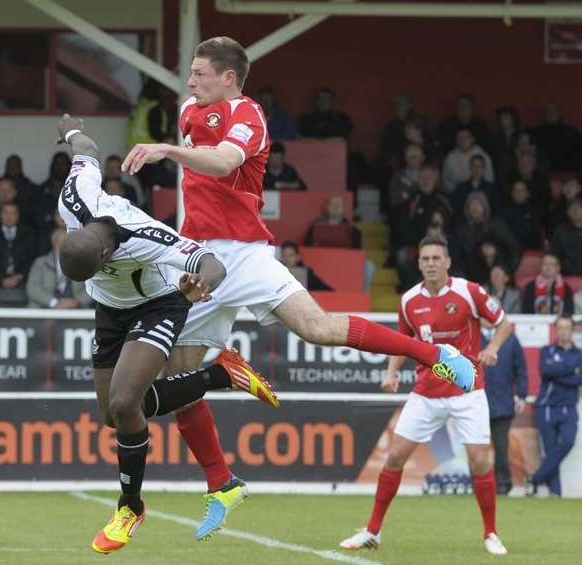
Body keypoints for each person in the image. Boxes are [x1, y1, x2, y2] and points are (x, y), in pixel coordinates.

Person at [122, 36, 477, 539]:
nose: (190, 82)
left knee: (318, 327)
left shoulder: (250, 116)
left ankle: (432, 354)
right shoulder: (187, 111)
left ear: (228, 78)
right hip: (198, 259)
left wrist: (165, 150)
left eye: (200, 74)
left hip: (243, 254)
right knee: (179, 382)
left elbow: (223, 163)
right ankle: (222, 483)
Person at [54, 115, 278, 554]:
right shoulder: (73, 198)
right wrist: (70, 130)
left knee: (124, 402)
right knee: (112, 415)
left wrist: (203, 285)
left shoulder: (146, 236)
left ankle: (130, 507)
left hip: (158, 304)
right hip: (110, 310)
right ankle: (223, 374)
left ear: (104, 253)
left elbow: (209, 262)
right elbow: (86, 153)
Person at [340, 236, 512, 555]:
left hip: (467, 391)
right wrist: (391, 373)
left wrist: (492, 347)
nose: (431, 263)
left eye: (436, 258)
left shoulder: (469, 292)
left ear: (447, 262)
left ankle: (491, 533)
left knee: (478, 460)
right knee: (394, 457)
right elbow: (401, 342)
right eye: (425, 259)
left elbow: (504, 324)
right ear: (418, 264)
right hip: (426, 392)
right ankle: (373, 531)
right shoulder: (408, 300)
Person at [527, 314, 582, 497]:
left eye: (566, 328)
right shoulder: (547, 350)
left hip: (569, 407)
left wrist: (559, 372)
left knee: (567, 441)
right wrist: (570, 370)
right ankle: (555, 493)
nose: (563, 331)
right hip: (547, 406)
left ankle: (536, 478)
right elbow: (546, 371)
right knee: (551, 450)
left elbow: (578, 379)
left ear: (572, 330)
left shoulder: (579, 354)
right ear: (555, 330)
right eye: (560, 328)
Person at [482, 326, 527, 494]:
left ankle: (502, 485)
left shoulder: (511, 339)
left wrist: (521, 395)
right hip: (476, 405)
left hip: (503, 404)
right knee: (477, 448)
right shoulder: (472, 335)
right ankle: (478, 485)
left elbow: (521, 369)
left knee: (501, 448)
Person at [0, 202, 37, 307]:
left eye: (13, 213)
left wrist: (19, 276)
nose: (9, 217)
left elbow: (32, 258)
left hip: (23, 282)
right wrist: (1, 278)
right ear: (0, 215)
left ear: (18, 215)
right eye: (6, 213)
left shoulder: (28, 233)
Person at [26, 226, 91, 309]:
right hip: (44, 309)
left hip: (75, 310)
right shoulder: (40, 263)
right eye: (60, 243)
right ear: (54, 243)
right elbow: (33, 288)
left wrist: (77, 301)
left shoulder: (83, 264)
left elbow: (93, 287)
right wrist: (54, 302)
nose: (64, 246)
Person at [531, 104, 582, 172]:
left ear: (559, 114)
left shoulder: (571, 132)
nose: (551, 114)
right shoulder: (537, 133)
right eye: (548, 112)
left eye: (553, 112)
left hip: (569, 171)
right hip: (544, 172)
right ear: (544, 115)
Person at [442, 129, 494, 194]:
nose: (462, 140)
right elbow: (445, 179)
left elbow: (489, 179)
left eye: (466, 138)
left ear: (472, 139)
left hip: (479, 195)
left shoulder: (483, 156)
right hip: (455, 195)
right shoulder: (450, 157)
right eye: (459, 138)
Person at [451, 154, 498, 219]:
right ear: (470, 168)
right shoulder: (461, 188)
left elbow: (495, 211)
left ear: (484, 169)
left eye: (480, 166)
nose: (477, 169)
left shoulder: (492, 189)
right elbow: (456, 210)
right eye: (474, 166)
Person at [551, 198, 582, 276]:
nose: (575, 211)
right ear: (567, 213)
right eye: (571, 208)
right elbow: (555, 255)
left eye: (578, 208)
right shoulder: (560, 231)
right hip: (565, 276)